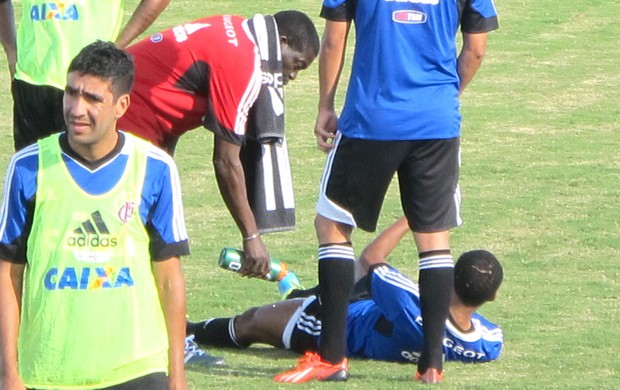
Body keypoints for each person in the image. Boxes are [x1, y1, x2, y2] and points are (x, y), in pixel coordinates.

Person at [274, 0, 499, 384]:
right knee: (434, 239)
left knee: (332, 225)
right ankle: (431, 365)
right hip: (437, 121)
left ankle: (331, 357)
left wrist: (325, 105)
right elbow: (475, 49)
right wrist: (441, 95)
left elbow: (333, 40)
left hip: (371, 118)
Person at [0, 41, 187, 390]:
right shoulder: (28, 167)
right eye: (71, 92)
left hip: (136, 369)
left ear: (122, 105)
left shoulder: (155, 168)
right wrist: (8, 371)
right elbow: (8, 273)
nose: (75, 108)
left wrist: (176, 377)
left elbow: (168, 278)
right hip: (49, 372)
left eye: (92, 98)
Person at [117, 11, 320, 279]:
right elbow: (226, 161)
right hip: (127, 116)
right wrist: (252, 236)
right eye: (298, 64)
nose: (293, 75)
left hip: (123, 97)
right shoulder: (243, 66)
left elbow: (177, 82)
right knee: (139, 234)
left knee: (153, 231)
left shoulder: (235, 25)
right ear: (281, 41)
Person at [187, 217, 504, 368]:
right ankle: (289, 281)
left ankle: (188, 330)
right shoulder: (488, 342)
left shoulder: (411, 307)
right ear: (492, 297)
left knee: (252, 321)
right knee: (332, 283)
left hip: (335, 323)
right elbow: (474, 333)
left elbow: (371, 259)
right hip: (369, 306)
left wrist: (415, 215)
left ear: (446, 279)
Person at [0, 0, 170, 150]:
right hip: (31, 80)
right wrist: (11, 49)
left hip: (91, 84)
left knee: (85, 176)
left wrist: (118, 46)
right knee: (32, 176)